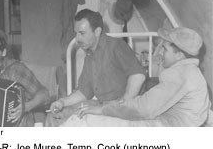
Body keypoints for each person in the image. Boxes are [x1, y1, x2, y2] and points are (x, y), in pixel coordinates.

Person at [66, 27, 211, 127]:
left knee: (85, 121)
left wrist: (103, 109)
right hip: (168, 125)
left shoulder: (181, 74)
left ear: (179, 54)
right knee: (91, 119)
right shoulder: (192, 72)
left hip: (164, 129)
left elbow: (143, 109)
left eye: (164, 49)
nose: (159, 52)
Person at [46, 9, 146, 126]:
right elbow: (84, 92)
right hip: (101, 106)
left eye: (82, 33)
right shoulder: (90, 55)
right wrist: (62, 102)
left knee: (78, 124)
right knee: (54, 117)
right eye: (76, 33)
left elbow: (138, 76)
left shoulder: (116, 46)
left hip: (120, 108)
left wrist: (121, 105)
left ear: (97, 32)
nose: (77, 38)